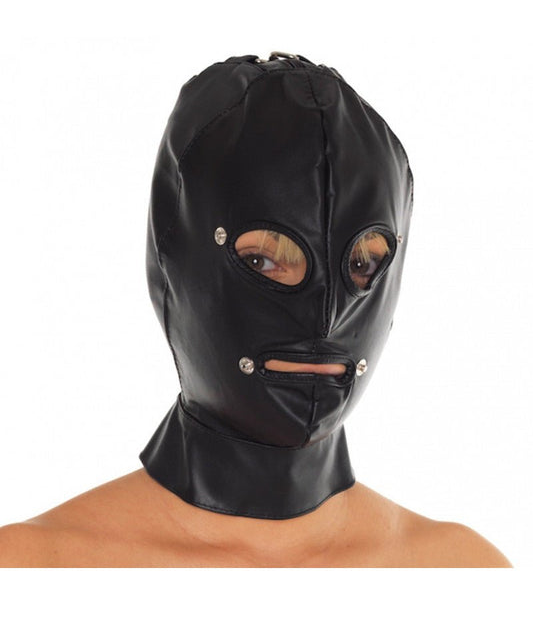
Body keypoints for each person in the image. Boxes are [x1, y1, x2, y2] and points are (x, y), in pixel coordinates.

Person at [0, 52, 512, 567]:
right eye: (264, 260)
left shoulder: (464, 570)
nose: (325, 319)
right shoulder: (33, 566)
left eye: (361, 264)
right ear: (174, 260)